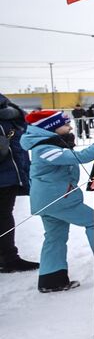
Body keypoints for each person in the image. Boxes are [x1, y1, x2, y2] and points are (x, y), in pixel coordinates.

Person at [19, 110, 94, 292]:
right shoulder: (44, 150)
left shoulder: (47, 145)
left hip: (52, 200)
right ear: (50, 128)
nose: (70, 126)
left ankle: (52, 280)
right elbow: (79, 157)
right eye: (65, 124)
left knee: (55, 237)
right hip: (56, 201)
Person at [0, 93, 39, 273]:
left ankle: (8, 257)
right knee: (4, 217)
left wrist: (14, 112)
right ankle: (9, 259)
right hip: (5, 175)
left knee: (4, 216)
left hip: (10, 173)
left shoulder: (9, 113)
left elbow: (25, 122)